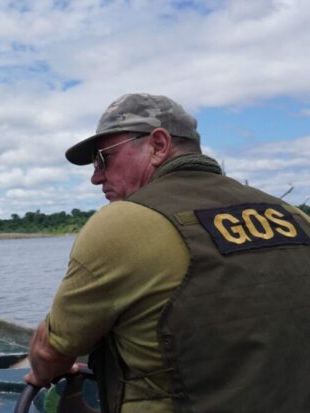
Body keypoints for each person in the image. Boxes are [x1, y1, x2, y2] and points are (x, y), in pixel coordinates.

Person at [25, 93, 310, 413]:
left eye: (103, 158)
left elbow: (50, 356)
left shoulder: (124, 223)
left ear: (158, 146)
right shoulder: (293, 217)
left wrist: (46, 358)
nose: (96, 177)